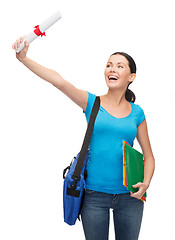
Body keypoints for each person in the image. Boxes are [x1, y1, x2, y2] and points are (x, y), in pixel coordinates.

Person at [12, 37, 155, 240]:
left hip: (130, 196)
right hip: (94, 196)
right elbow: (59, 82)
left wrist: (146, 184)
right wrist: (24, 59)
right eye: (108, 65)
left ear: (131, 76)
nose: (112, 69)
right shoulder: (91, 103)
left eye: (119, 66)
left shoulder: (137, 113)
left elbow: (149, 156)